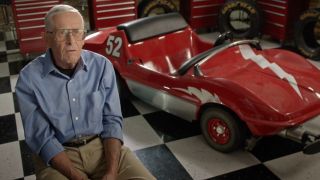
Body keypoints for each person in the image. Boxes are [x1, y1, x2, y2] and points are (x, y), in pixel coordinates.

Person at [15, 4, 155, 180]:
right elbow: (41, 137)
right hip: (59, 154)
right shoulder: (28, 79)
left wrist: (111, 172)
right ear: (46, 38)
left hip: (102, 146)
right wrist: (77, 177)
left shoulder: (103, 66)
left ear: (83, 37)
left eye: (77, 32)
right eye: (62, 32)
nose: (71, 41)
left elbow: (112, 120)